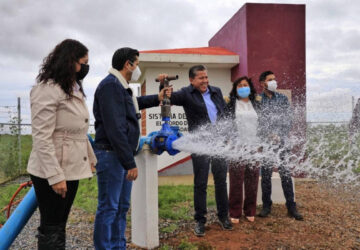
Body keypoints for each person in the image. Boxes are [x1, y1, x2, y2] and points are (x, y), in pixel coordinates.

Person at [92, 47, 171, 249]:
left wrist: (158, 97)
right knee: (109, 207)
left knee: (121, 207)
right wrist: (129, 162)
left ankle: (118, 245)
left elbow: (133, 104)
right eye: (137, 64)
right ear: (128, 64)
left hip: (120, 154)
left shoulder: (120, 86)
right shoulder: (110, 86)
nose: (137, 68)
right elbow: (115, 128)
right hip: (112, 155)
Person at [27, 39, 97, 249]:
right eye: (83, 62)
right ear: (69, 61)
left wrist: (91, 159)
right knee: (52, 226)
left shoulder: (72, 89)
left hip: (70, 168)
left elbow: (78, 131)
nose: (86, 67)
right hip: (53, 169)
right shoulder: (47, 90)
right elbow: (41, 137)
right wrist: (55, 176)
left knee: (59, 224)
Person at [168, 64, 232, 237]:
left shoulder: (216, 91)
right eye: (201, 78)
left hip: (219, 143)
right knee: (201, 182)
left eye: (206, 77)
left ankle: (223, 216)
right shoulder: (186, 94)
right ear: (191, 80)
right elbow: (168, 98)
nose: (205, 81)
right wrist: (163, 85)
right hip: (200, 144)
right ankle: (200, 221)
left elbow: (225, 115)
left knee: (221, 180)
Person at [257, 70, 303, 220]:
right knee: (266, 175)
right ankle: (266, 206)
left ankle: (291, 207)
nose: (274, 82)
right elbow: (258, 123)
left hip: (282, 143)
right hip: (266, 143)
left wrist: (280, 135)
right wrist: (269, 134)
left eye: (274, 79)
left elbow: (288, 119)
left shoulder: (282, 99)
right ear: (262, 83)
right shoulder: (258, 100)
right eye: (270, 79)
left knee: (285, 174)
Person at [224, 76, 261, 223]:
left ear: (250, 87)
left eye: (245, 85)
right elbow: (225, 123)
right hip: (236, 146)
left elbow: (263, 123)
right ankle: (234, 212)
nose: (243, 87)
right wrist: (228, 140)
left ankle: (250, 210)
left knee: (252, 179)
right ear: (235, 88)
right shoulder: (231, 104)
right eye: (240, 85)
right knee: (236, 180)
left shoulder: (257, 104)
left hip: (255, 146)